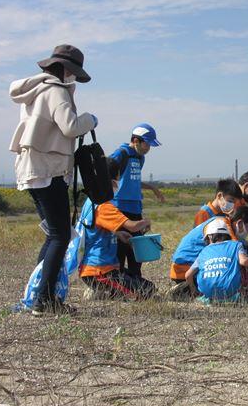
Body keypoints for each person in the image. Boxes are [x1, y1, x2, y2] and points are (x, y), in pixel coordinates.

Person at [9, 44, 97, 316]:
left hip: (31, 169)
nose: (73, 79)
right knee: (60, 236)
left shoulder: (33, 91)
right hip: (49, 170)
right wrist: (91, 120)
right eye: (73, 73)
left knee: (54, 235)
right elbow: (70, 126)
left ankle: (36, 295)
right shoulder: (56, 90)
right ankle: (44, 301)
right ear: (66, 70)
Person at [79, 159, 156, 300]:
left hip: (97, 269)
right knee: (145, 293)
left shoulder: (89, 202)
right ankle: (101, 291)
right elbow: (132, 225)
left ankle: (102, 291)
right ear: (112, 181)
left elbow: (95, 229)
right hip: (100, 272)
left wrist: (117, 233)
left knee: (147, 286)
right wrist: (145, 222)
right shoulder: (103, 205)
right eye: (118, 178)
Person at [109, 123, 165, 278]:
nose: (148, 148)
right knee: (120, 247)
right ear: (136, 140)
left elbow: (133, 180)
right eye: (147, 143)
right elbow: (108, 171)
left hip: (135, 209)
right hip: (120, 208)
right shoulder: (121, 153)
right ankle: (118, 280)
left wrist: (153, 188)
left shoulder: (140, 158)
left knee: (136, 248)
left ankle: (135, 279)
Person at [170, 206, 248, 284]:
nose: (247, 233)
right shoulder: (222, 227)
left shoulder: (221, 222)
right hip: (185, 271)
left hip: (180, 270)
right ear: (239, 223)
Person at [185, 218, 248, 301]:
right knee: (247, 269)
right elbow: (244, 261)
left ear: (209, 237)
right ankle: (245, 295)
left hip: (208, 294)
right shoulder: (236, 245)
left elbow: (188, 275)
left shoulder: (204, 251)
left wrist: (194, 291)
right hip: (231, 292)